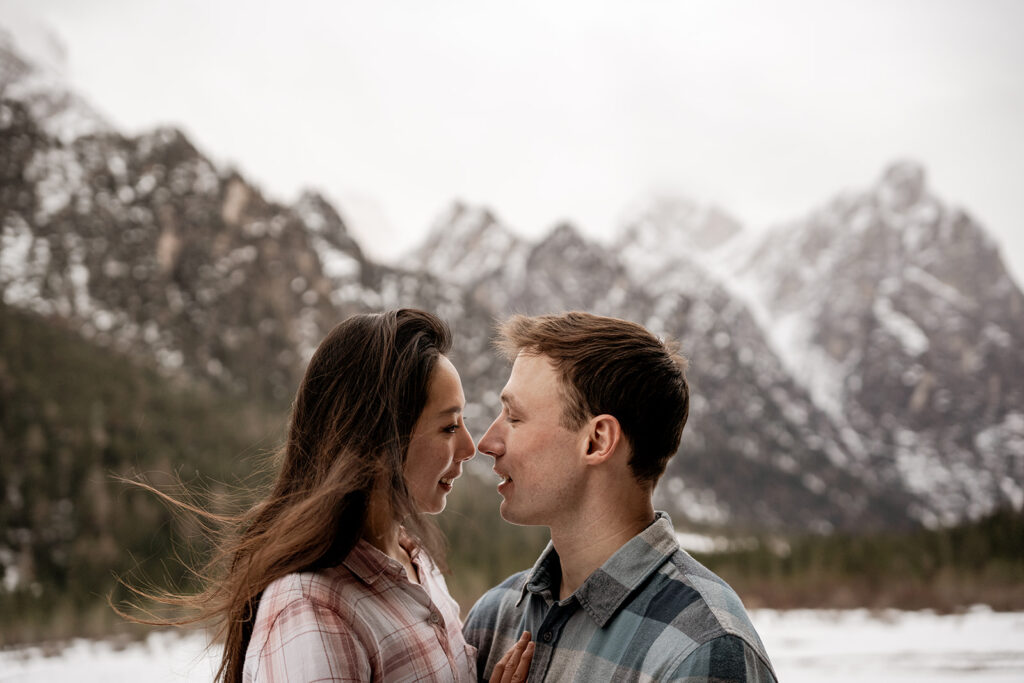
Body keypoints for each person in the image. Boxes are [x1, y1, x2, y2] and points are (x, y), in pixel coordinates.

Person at [119, 309, 532, 683]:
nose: (469, 447)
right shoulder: (311, 610)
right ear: (377, 436)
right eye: (448, 427)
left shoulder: (414, 561)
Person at [463, 312, 776, 682]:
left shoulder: (704, 647)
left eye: (514, 418)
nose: (486, 443)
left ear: (597, 440)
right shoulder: (493, 619)